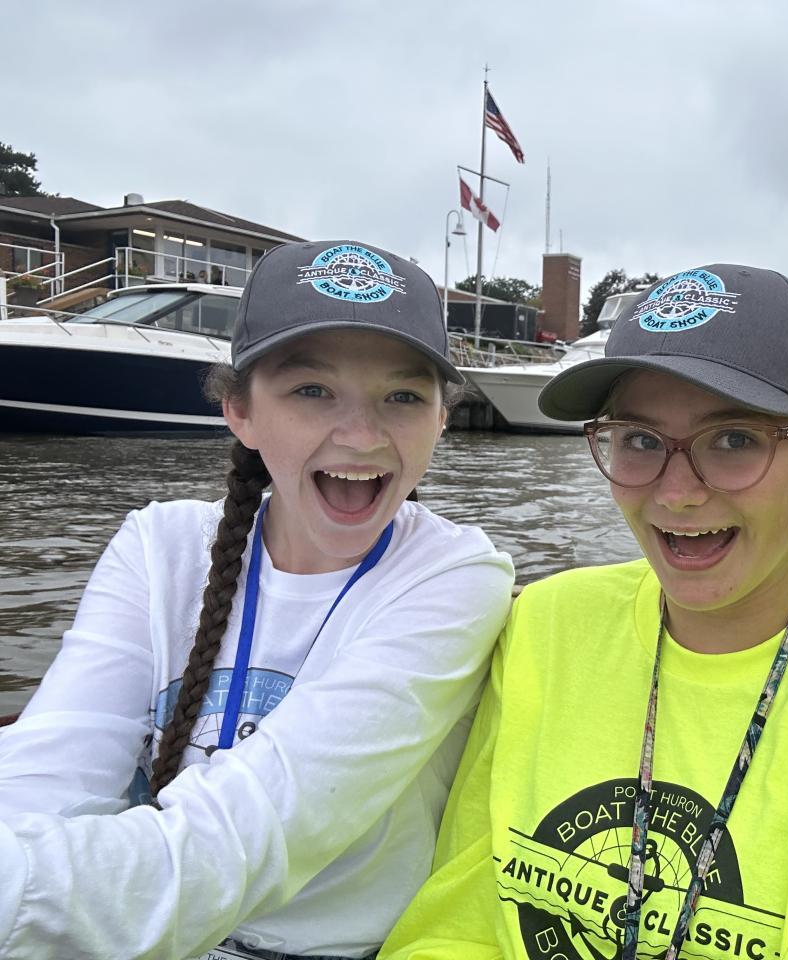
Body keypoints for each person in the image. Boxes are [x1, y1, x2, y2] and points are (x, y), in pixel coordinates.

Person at [381, 263, 788, 959]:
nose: (677, 493)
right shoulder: (547, 627)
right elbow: (454, 925)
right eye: (640, 440)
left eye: (734, 439)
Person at [0, 240, 515, 959]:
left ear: (441, 419)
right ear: (239, 411)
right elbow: (51, 767)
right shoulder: (158, 545)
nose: (362, 436)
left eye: (403, 397)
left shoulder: (456, 575)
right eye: (311, 391)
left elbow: (260, 825)